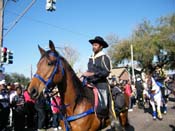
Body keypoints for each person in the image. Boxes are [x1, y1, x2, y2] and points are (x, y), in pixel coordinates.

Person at [83, 36, 111, 118]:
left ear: (101, 46)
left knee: (103, 105)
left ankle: (105, 117)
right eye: (93, 45)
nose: (93, 47)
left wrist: (93, 74)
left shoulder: (104, 57)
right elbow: (89, 70)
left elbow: (106, 72)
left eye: (95, 45)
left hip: (101, 83)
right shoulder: (90, 58)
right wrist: (83, 75)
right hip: (90, 82)